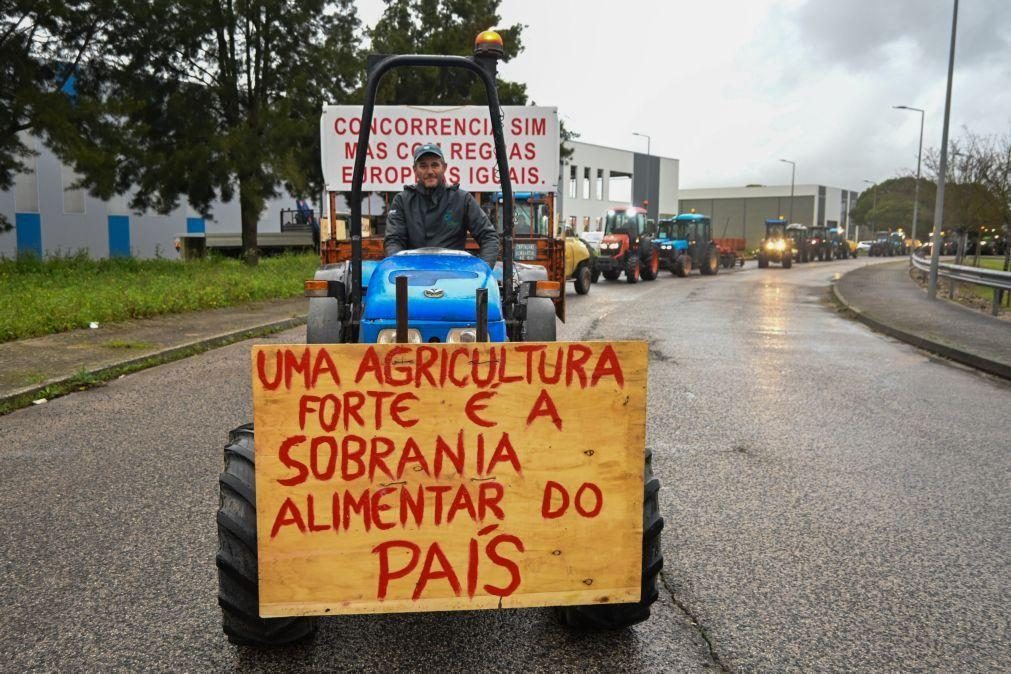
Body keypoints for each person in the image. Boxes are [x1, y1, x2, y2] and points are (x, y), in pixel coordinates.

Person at [384, 143, 500, 267]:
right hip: (413, 275)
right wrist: (398, 269)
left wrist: (482, 269)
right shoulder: (402, 201)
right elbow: (394, 240)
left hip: (454, 274)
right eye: (423, 166)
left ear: (444, 167)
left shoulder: (462, 199)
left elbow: (489, 237)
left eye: (435, 165)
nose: (429, 171)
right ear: (415, 170)